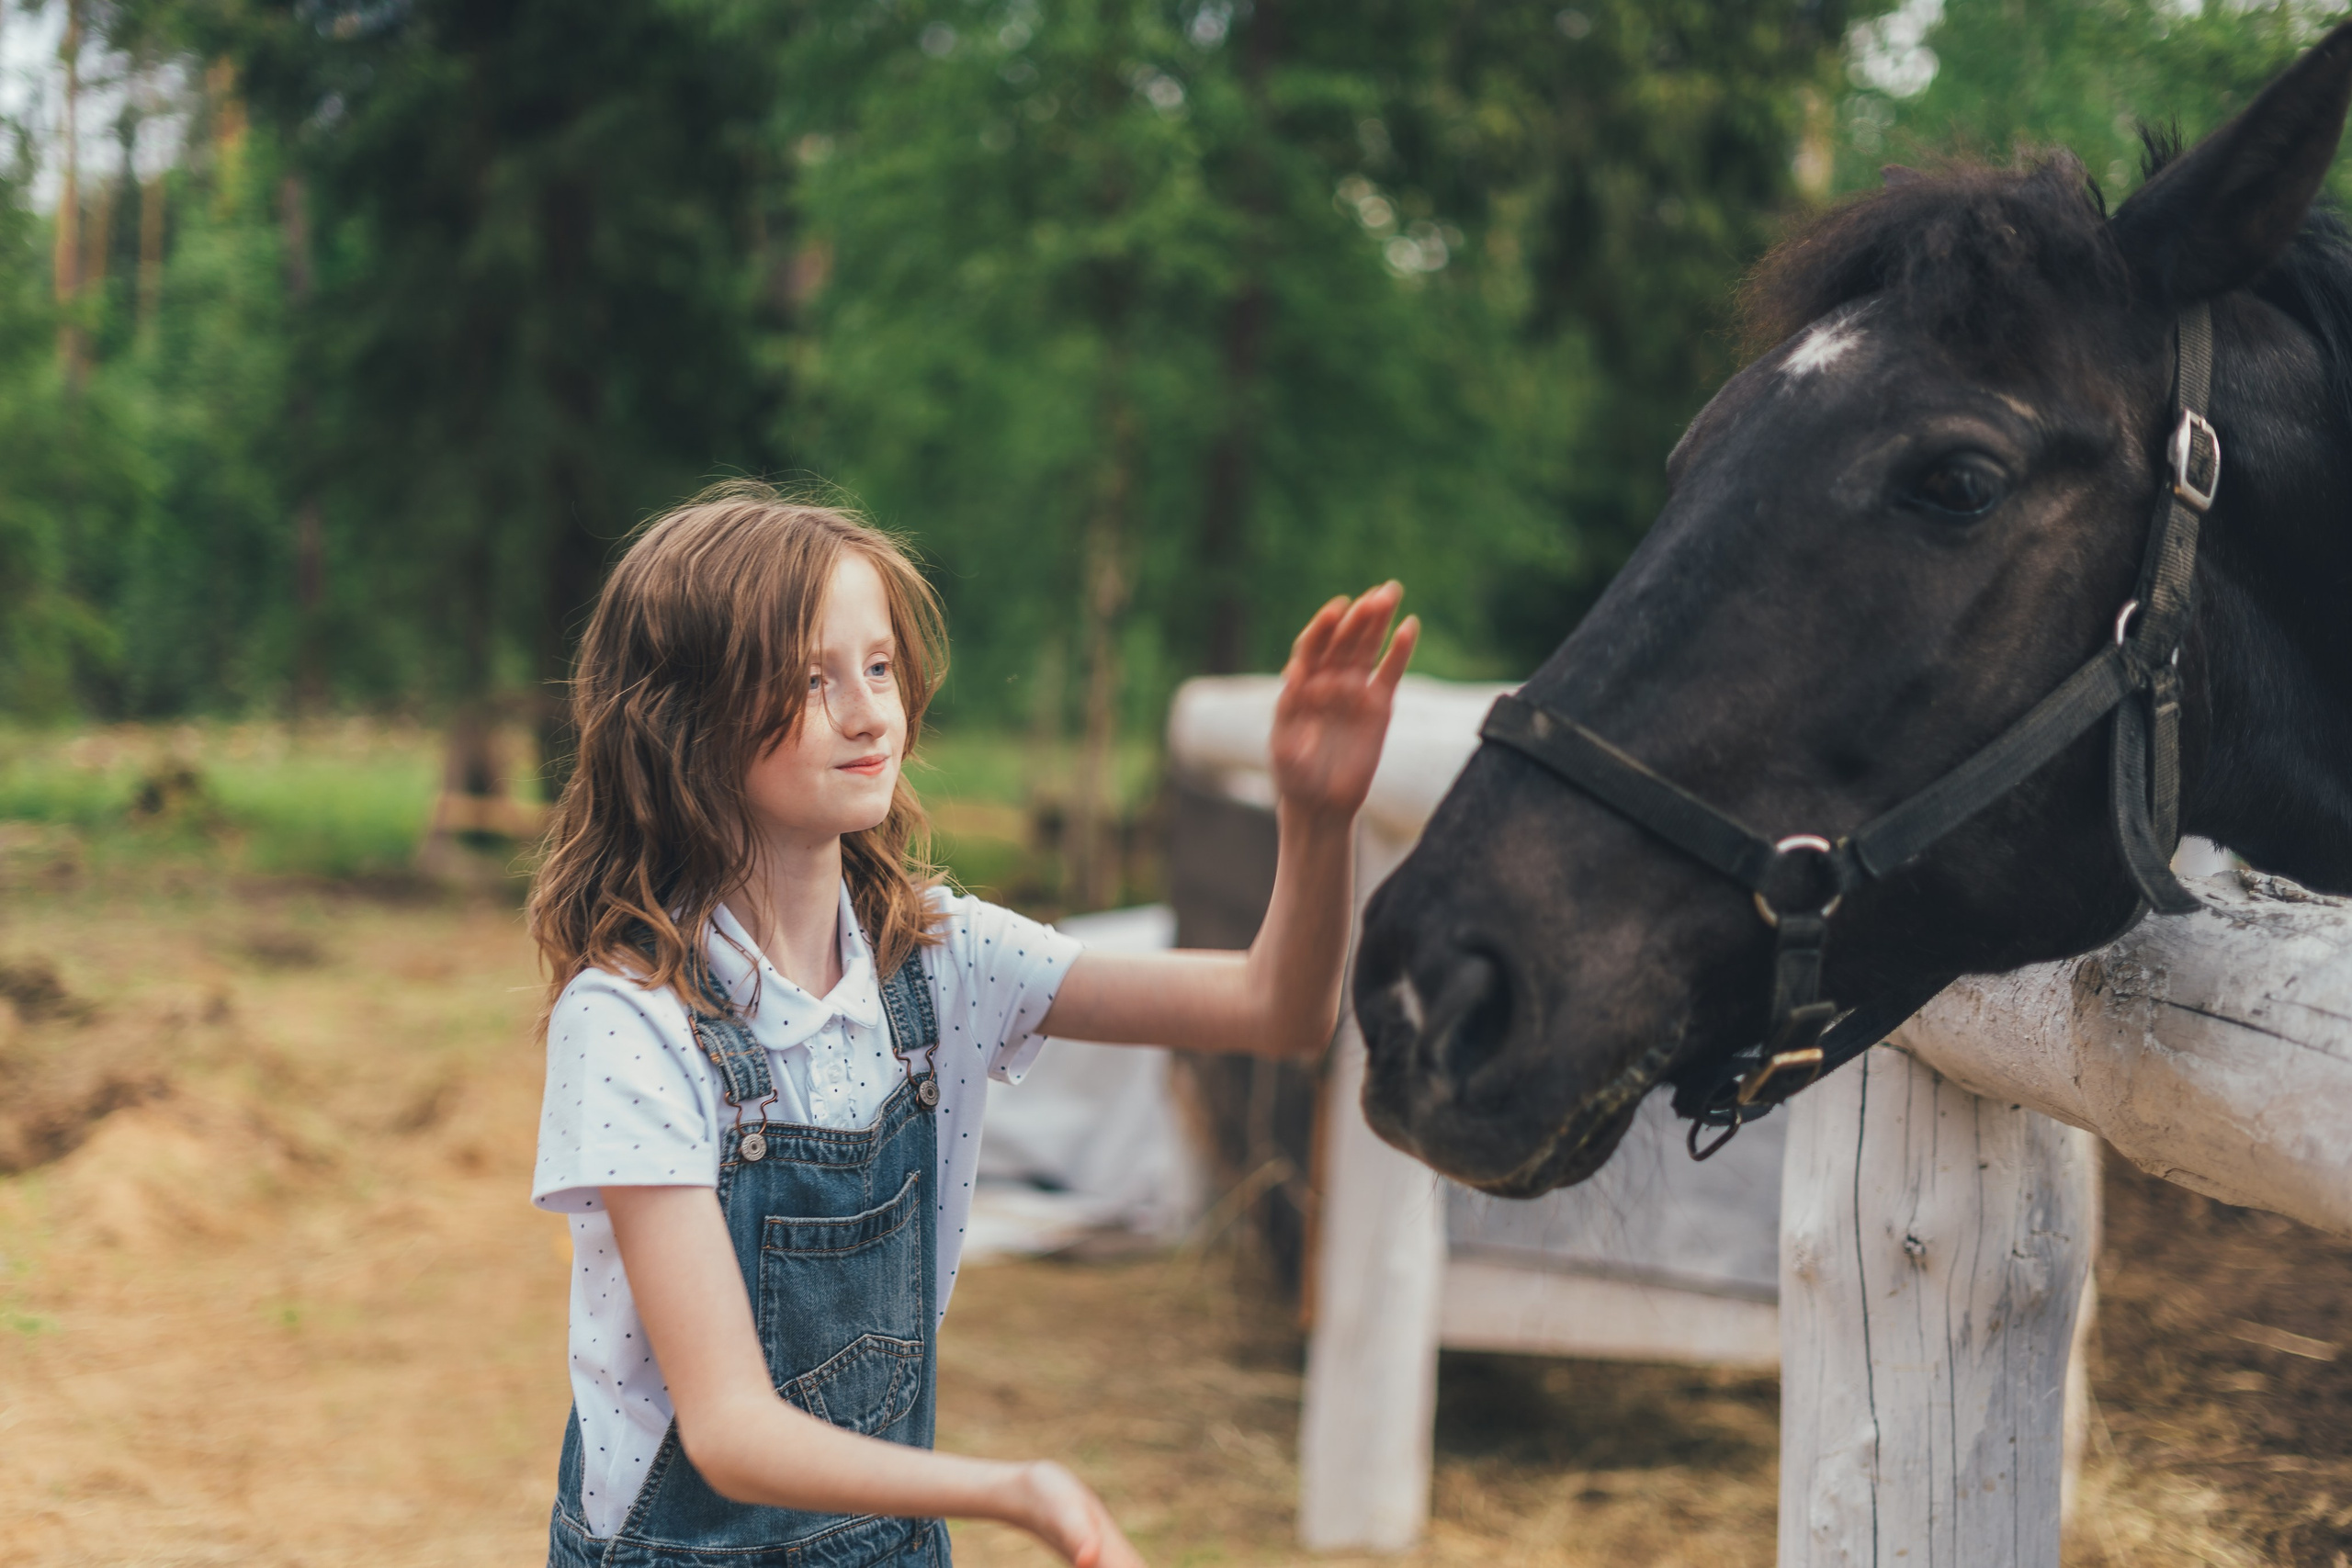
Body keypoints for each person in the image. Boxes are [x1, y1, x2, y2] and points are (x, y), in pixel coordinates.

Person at [526, 481, 1417, 1568]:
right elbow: (731, 1433)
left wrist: (1315, 818)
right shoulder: (630, 1022)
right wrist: (1018, 1490)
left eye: (880, 666)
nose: (868, 713)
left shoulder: (944, 957)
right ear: (686, 722)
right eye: (811, 680)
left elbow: (1278, 1010)